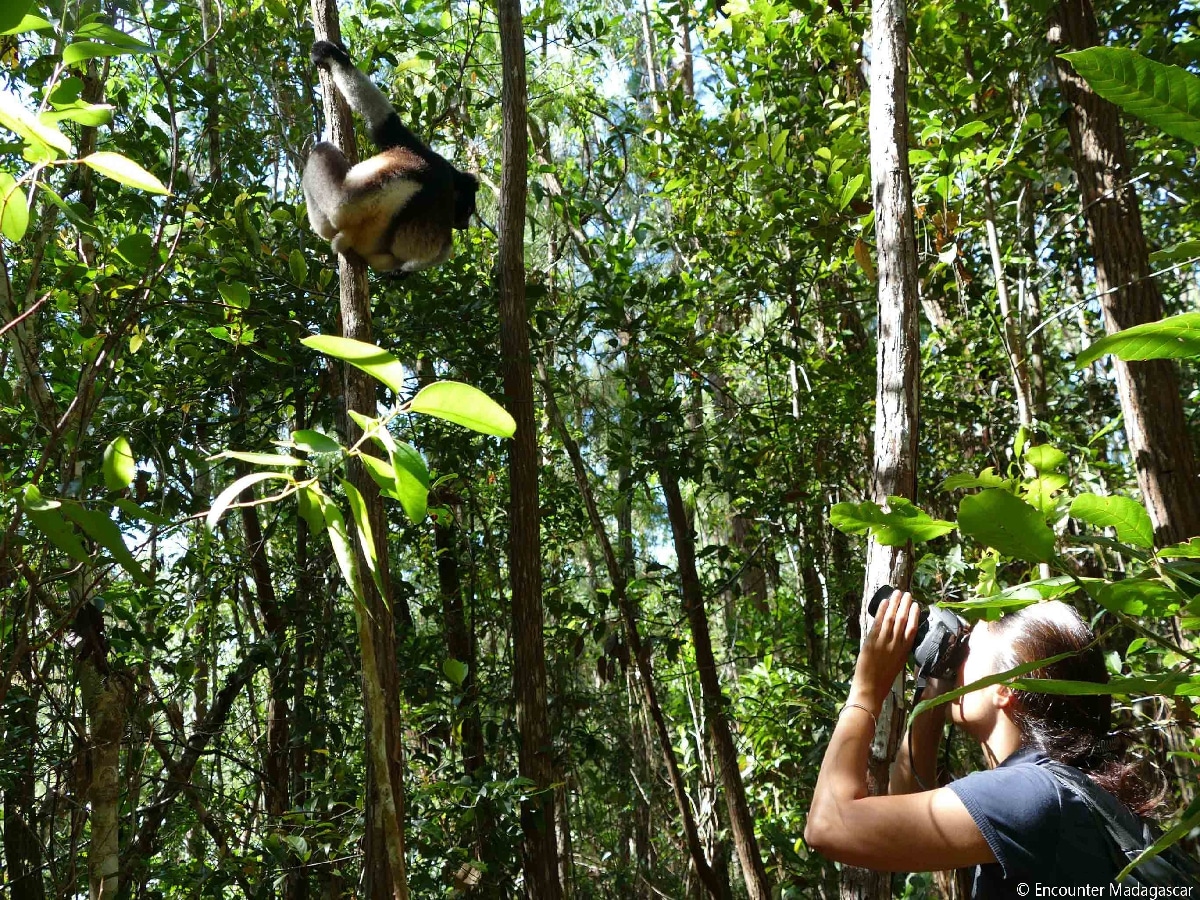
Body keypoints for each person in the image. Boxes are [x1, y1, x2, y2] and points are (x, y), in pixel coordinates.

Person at [804, 590, 1170, 897]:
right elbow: (901, 806)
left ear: (1007, 687)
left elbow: (828, 825)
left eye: (965, 652)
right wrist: (935, 686)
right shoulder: (1061, 788)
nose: (954, 663)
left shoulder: (1030, 794)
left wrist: (866, 689)